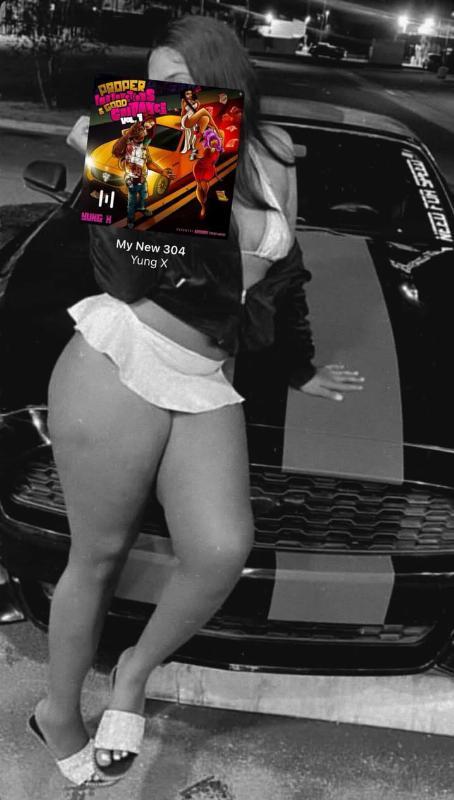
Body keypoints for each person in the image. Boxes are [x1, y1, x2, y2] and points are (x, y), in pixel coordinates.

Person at [28, 14, 365, 789]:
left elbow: (285, 274)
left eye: (177, 81)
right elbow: (125, 279)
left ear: (222, 74)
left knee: (218, 549)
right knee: (99, 555)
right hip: (123, 359)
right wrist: (114, 171)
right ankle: (58, 711)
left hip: (207, 373)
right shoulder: (158, 147)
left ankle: (133, 672)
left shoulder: (274, 152)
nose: (162, 96)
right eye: (153, 84)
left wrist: (300, 366)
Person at [111, 117, 175, 228]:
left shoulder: (144, 148)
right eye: (141, 132)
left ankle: (141, 208)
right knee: (131, 202)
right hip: (132, 180)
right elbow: (115, 151)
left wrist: (162, 172)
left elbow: (149, 163)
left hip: (143, 179)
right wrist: (127, 135)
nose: (145, 132)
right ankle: (130, 220)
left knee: (143, 196)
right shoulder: (127, 146)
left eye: (144, 132)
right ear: (134, 135)